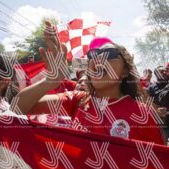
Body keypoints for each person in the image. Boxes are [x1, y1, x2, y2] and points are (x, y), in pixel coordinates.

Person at [15, 20, 164, 145]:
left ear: (125, 72)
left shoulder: (143, 113)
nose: (98, 58)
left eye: (108, 53)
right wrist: (49, 81)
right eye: (93, 55)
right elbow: (17, 108)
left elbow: (158, 165)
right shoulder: (77, 100)